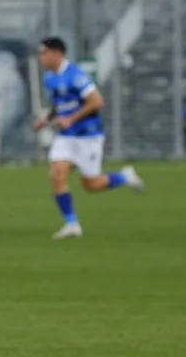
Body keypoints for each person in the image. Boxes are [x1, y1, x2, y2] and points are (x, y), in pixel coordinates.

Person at [33, 37, 142, 239]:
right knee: (57, 174)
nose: (41, 57)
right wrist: (46, 119)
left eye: (43, 53)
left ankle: (125, 177)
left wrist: (71, 119)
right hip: (66, 137)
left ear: (57, 53)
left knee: (91, 185)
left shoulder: (75, 75)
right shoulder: (49, 77)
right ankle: (71, 224)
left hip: (88, 136)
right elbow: (59, 105)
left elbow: (97, 101)